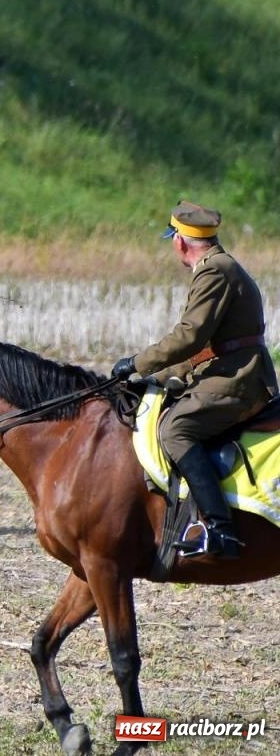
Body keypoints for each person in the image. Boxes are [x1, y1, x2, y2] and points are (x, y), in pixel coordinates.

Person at [112, 201, 277, 560]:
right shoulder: (219, 267)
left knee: (176, 429)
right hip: (227, 370)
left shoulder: (215, 271)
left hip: (239, 380)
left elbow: (189, 337)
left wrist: (136, 363)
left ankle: (220, 530)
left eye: (173, 240)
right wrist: (152, 378)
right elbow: (200, 351)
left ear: (180, 242)